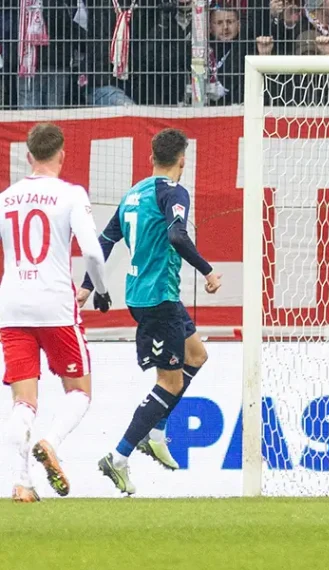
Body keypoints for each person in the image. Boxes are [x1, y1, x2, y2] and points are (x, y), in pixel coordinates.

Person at [79, 129, 221, 495]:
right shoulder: (173, 192)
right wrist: (207, 270)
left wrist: (88, 286)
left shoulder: (132, 193)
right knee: (169, 382)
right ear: (182, 160)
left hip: (149, 295)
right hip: (158, 298)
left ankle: (156, 432)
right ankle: (120, 455)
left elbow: (106, 240)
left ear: (151, 158)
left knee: (197, 355)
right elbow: (177, 235)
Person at [1, 123, 111, 502]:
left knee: (23, 401)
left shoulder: (6, 197)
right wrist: (101, 288)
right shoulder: (70, 195)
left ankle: (20, 483)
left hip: (12, 306)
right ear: (62, 154)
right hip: (56, 307)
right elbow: (93, 252)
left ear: (28, 156)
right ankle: (51, 442)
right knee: (79, 392)